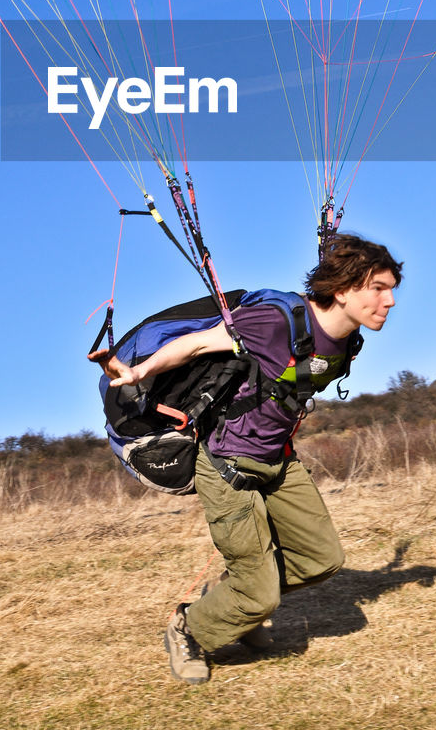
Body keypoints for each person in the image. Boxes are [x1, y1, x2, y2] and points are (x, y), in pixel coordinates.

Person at [98, 233, 402, 683]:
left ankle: (232, 598)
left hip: (279, 461)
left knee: (321, 560)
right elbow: (199, 344)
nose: (390, 300)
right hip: (226, 465)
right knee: (260, 597)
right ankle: (190, 629)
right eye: (378, 287)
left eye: (392, 288)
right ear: (343, 290)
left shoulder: (348, 339)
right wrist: (139, 371)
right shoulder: (275, 321)